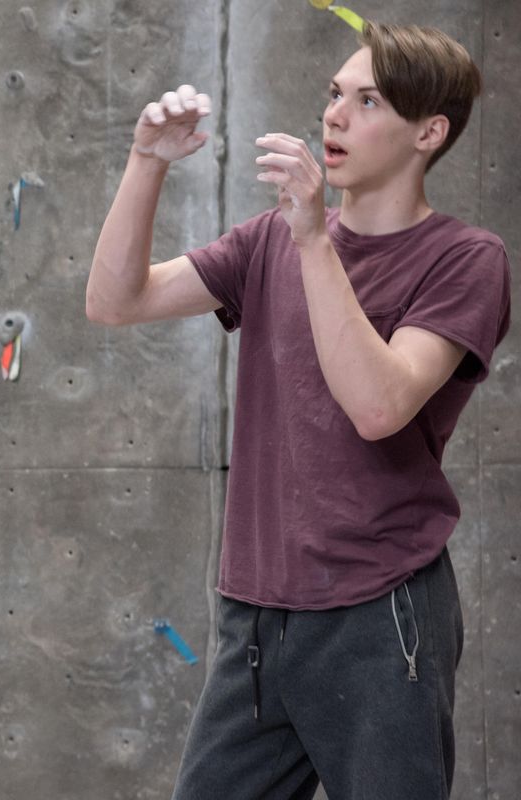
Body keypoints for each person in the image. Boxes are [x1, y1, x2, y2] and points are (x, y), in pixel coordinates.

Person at [87, 21, 510, 800]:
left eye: (369, 100)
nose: (335, 116)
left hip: (383, 617)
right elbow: (117, 300)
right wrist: (146, 163)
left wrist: (316, 237)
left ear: (430, 131)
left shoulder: (464, 259)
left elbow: (379, 405)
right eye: (335, 95)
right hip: (256, 616)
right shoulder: (268, 242)